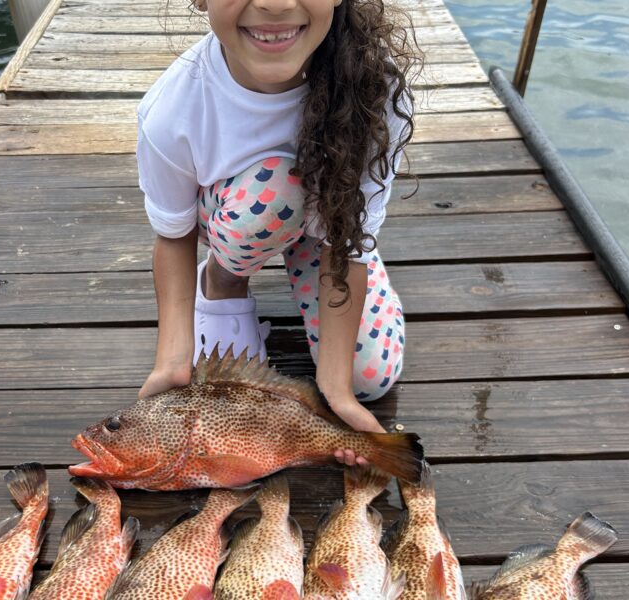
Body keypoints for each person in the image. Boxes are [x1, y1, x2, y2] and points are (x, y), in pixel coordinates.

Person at [136, 0, 421, 465]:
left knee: (369, 378)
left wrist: (336, 389)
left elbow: (345, 244)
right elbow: (174, 235)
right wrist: (172, 359)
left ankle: (367, 286)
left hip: (332, 231)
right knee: (279, 188)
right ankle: (223, 281)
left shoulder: (377, 90)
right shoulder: (170, 111)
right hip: (239, 214)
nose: (276, 3)